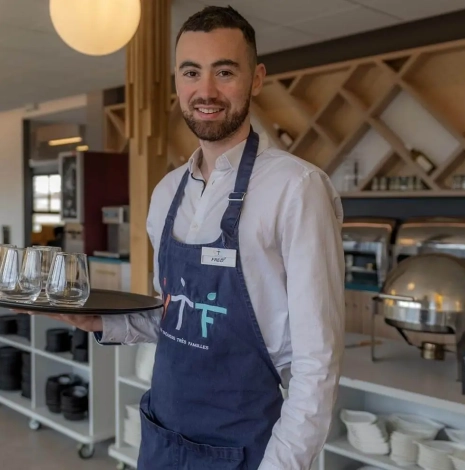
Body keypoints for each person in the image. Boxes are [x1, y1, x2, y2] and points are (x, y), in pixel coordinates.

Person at [30, 6, 345, 469]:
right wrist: (103, 323)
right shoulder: (166, 193)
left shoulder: (297, 189)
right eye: (192, 72)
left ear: (256, 79)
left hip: (246, 450)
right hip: (162, 438)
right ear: (177, 81)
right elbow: (175, 315)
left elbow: (317, 363)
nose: (206, 91)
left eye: (225, 72)